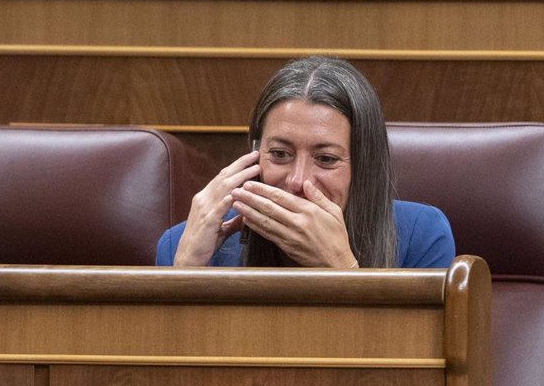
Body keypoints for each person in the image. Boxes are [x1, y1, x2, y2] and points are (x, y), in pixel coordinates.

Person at [156, 56, 455, 268]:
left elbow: (409, 357)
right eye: (279, 154)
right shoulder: (184, 243)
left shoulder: (422, 236)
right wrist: (186, 269)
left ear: (363, 165)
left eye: (325, 159)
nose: (298, 181)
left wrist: (340, 268)